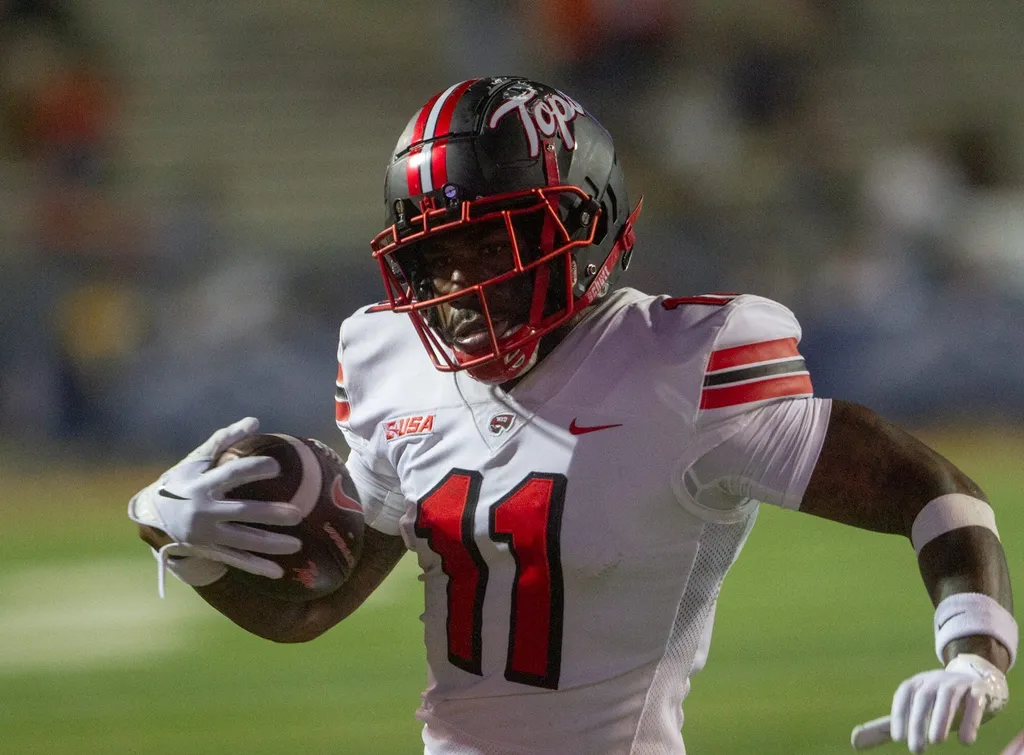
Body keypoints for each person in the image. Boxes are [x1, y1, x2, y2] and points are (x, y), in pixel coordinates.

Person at [129, 76, 1016, 755]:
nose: (459, 284)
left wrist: (974, 652)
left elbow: (931, 488)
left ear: (584, 227)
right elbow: (314, 608)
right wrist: (176, 537)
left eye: (492, 243)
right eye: (436, 254)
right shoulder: (388, 357)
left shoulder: (684, 363)